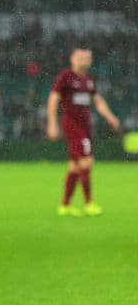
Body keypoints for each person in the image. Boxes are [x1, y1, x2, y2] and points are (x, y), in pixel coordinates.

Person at [46, 44, 121, 216]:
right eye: (81, 57)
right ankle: (88, 203)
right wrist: (52, 124)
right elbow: (53, 99)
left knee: (74, 166)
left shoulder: (88, 80)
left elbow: (98, 100)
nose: (84, 61)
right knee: (87, 161)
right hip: (72, 126)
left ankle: (65, 205)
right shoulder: (66, 77)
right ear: (72, 59)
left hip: (86, 127)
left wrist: (109, 116)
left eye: (87, 58)